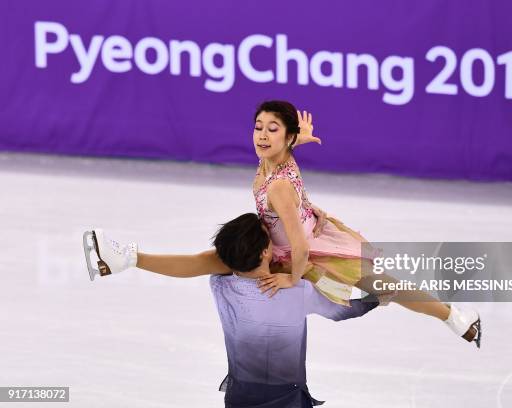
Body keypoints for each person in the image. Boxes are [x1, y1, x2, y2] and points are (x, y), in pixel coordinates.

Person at [82, 100, 481, 348]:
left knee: (385, 285)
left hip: (301, 249)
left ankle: (451, 317)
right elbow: (283, 158)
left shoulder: (277, 189)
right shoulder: (275, 157)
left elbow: (299, 245)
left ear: (285, 137)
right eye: (258, 127)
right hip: (286, 236)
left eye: (273, 130)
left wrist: (292, 277)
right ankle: (122, 260)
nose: (261, 135)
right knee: (210, 259)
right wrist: (298, 139)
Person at [210, 213, 379, 407]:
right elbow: (344, 310)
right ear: (265, 252)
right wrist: (375, 298)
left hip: (239, 396)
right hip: (287, 399)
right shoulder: (299, 292)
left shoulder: (220, 286)